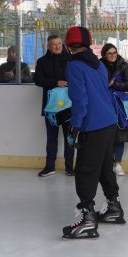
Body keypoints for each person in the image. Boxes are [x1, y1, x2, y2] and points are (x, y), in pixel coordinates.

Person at [61, 26, 123, 239]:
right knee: (105, 166)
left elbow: (80, 99)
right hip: (108, 122)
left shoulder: (74, 66)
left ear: (69, 47)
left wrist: (75, 126)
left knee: (86, 170)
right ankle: (114, 207)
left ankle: (87, 219)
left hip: (93, 124)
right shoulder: (98, 65)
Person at [33, 34, 74, 178]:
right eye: (54, 44)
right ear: (48, 47)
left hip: (69, 106)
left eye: (59, 44)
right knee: (52, 138)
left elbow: (79, 78)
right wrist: (56, 82)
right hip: (51, 108)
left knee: (70, 137)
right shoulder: (42, 62)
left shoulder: (71, 60)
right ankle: (49, 166)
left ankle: (70, 167)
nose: (57, 47)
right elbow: (38, 80)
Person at [100, 43, 128, 176]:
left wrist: (114, 84)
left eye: (115, 52)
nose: (113, 55)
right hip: (104, 103)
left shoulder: (123, 65)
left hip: (120, 104)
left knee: (120, 133)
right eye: (110, 53)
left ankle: (118, 163)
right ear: (104, 55)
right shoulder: (98, 66)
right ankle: (106, 164)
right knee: (105, 134)